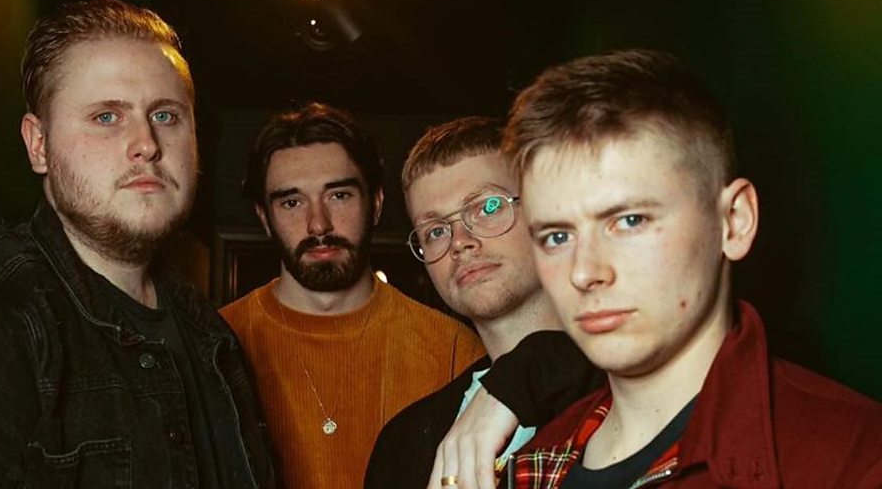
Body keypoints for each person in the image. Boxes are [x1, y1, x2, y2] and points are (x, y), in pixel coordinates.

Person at [0, 0, 275, 488]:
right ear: (38, 145)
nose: (146, 143)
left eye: (165, 115)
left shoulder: (211, 334)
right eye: (107, 117)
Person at [430, 49, 882, 489]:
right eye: (557, 237)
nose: (584, 272)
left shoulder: (855, 460)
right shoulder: (533, 463)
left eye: (629, 221)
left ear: (734, 221)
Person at [219, 103, 485, 489]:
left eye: (339, 195)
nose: (318, 224)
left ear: (375, 204)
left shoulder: (453, 349)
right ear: (265, 218)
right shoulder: (217, 342)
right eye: (291, 202)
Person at [364, 117, 602, 489]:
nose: (460, 241)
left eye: (488, 207)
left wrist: (523, 375)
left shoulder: (628, 377)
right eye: (436, 230)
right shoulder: (402, 443)